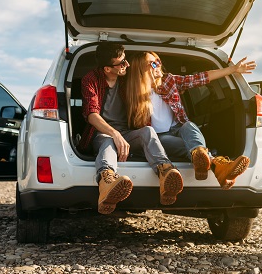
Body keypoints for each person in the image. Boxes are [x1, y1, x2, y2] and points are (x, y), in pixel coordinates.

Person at [125, 51, 256, 189]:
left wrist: (232, 69)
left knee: (189, 126)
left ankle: (203, 158)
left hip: (178, 129)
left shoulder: (169, 81)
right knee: (187, 146)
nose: (158, 65)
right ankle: (217, 166)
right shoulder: (130, 91)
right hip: (157, 138)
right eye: (153, 63)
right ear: (140, 68)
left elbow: (199, 78)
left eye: (158, 62)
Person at [78, 43, 183, 215]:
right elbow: (91, 115)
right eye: (121, 63)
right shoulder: (91, 79)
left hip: (127, 133)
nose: (126, 65)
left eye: (125, 60)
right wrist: (115, 133)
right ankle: (107, 183)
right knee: (107, 142)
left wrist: (154, 65)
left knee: (148, 131)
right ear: (107, 69)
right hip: (102, 132)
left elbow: (148, 76)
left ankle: (165, 173)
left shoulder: (127, 78)